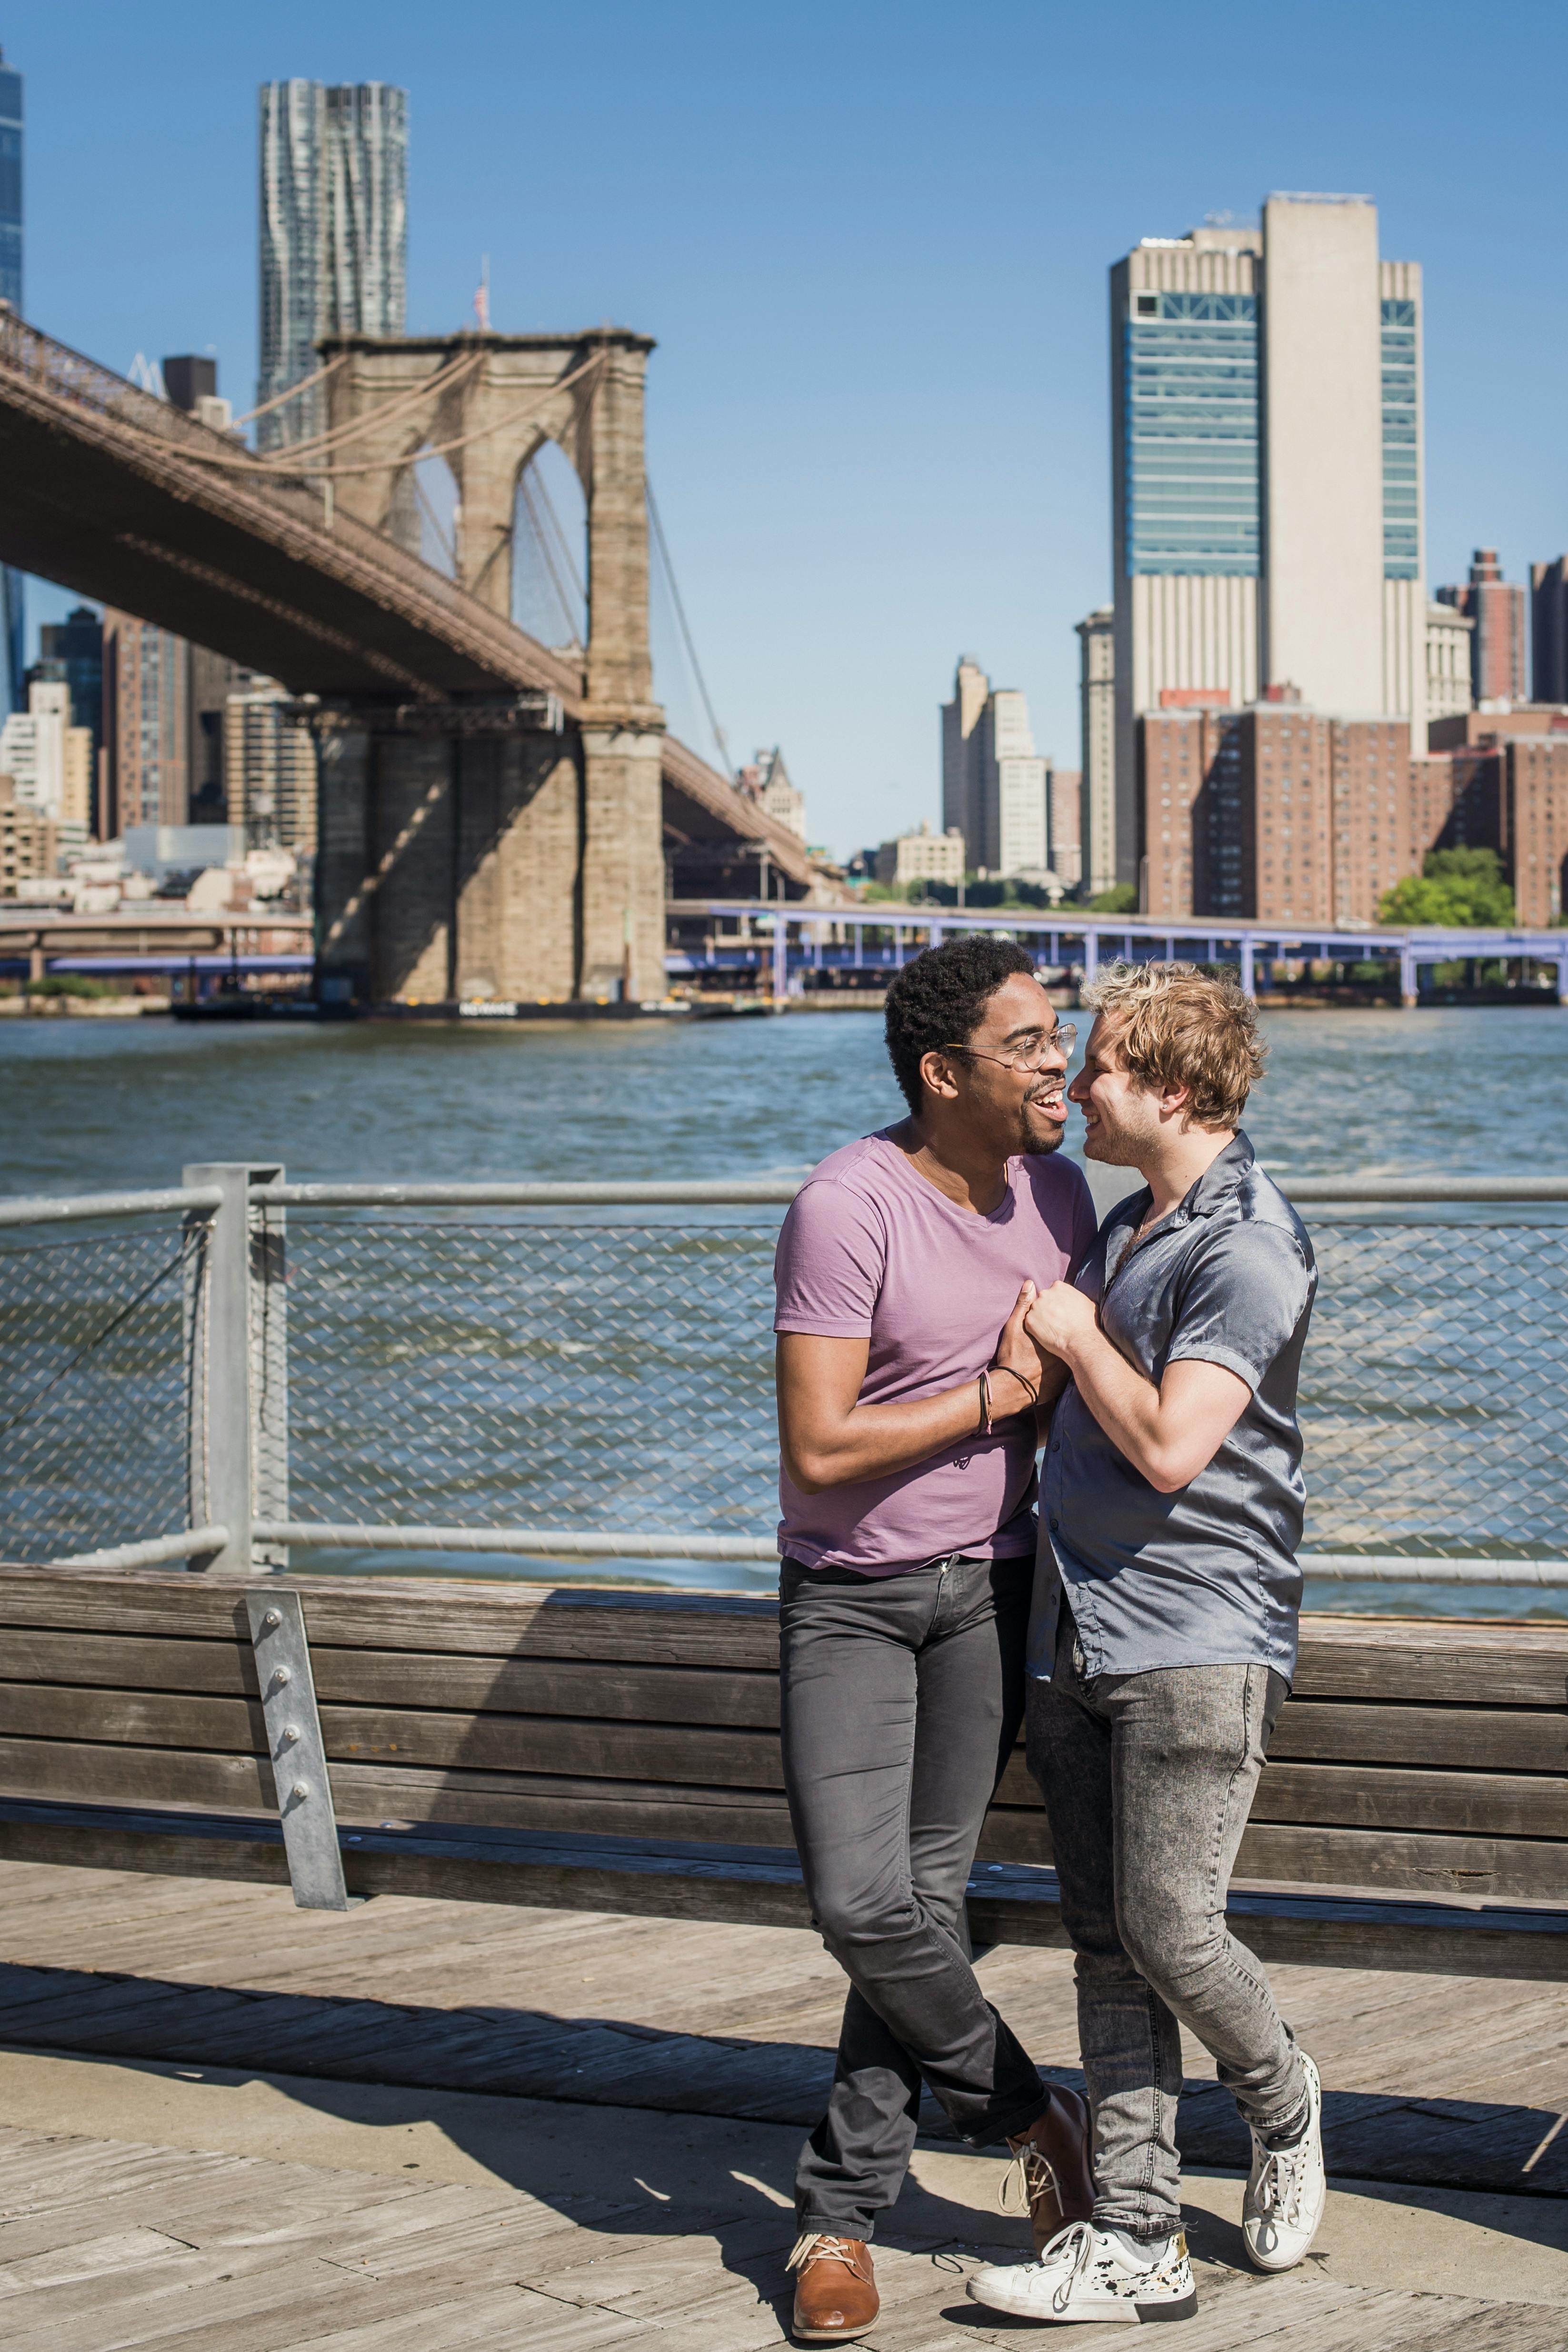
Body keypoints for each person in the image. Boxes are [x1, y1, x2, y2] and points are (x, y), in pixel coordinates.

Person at [967, 961, 1324, 2329]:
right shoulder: (1130, 1224)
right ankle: (1134, 2234)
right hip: (1078, 1629)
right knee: (1105, 1943)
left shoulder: (1248, 1241)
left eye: (1105, 1064)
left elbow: (1175, 1443)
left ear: (1174, 1088)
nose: (1079, 1083)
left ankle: (1281, 2090)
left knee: (1173, 1925)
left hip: (1195, 1632)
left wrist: (1070, 1331)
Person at [774, 935, 1099, 2345]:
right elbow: (819, 1446)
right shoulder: (847, 1206)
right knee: (866, 1907)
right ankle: (1034, 2113)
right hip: (852, 1596)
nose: (1058, 1063)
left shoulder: (1068, 1193)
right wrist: (995, 1395)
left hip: (1001, 1595)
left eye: (1058, 1034)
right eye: (1028, 1043)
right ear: (943, 1070)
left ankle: (837, 2220)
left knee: (915, 1905)